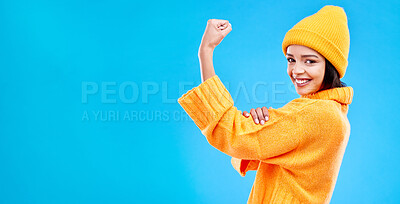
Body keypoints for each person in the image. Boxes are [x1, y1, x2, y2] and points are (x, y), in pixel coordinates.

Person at [177, 5, 352, 204]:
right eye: (291, 59)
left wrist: (206, 52)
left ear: (331, 66)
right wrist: (260, 129)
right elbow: (252, 152)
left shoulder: (315, 114)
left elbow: (232, 133)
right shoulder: (335, 113)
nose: (297, 70)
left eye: (310, 61)